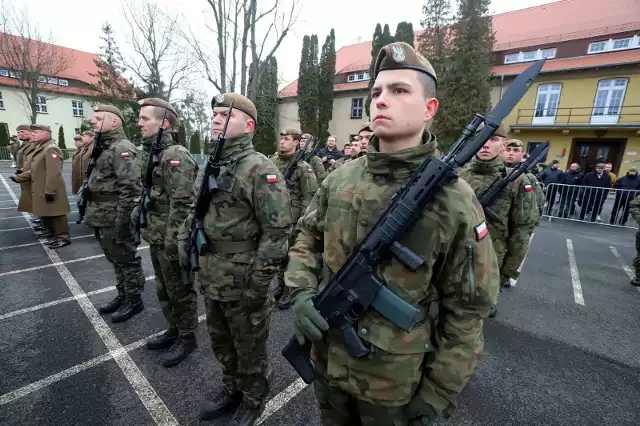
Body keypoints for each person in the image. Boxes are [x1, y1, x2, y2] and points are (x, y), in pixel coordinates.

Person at [284, 42, 499, 426]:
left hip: (392, 385)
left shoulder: (455, 201)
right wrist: (300, 292)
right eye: (377, 92)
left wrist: (437, 395)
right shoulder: (339, 179)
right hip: (328, 362)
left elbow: (467, 313)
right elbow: (306, 239)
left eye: (399, 91)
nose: (382, 100)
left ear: (429, 109)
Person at [177, 93, 293, 425]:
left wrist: (259, 282)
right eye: (213, 113)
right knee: (221, 340)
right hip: (211, 273)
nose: (215, 118)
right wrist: (186, 246)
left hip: (243, 278)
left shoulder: (259, 168)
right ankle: (232, 387)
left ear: (248, 125)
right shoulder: (212, 163)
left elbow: (277, 231)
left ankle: (254, 396)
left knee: (249, 345)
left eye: (225, 114)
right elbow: (195, 213)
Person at [128, 98, 200, 366]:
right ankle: (174, 329)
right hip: (157, 234)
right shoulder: (153, 153)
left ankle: (187, 336)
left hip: (171, 237)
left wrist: (174, 243)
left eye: (145, 118)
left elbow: (182, 206)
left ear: (164, 123)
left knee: (180, 289)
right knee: (163, 287)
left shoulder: (175, 156)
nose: (139, 122)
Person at [84, 105, 147, 323]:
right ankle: (123, 294)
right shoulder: (103, 146)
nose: (93, 121)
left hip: (114, 217)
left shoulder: (122, 148)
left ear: (114, 122)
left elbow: (131, 189)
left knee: (127, 259)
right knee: (115, 260)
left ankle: (134, 299)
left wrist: (123, 222)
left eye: (98, 118)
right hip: (101, 215)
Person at [269, 128, 318, 309]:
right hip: (274, 217)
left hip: (293, 217)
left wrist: (302, 223)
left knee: (291, 257)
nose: (282, 141)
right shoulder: (272, 162)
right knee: (279, 256)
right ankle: (281, 285)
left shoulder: (304, 168)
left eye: (287, 139)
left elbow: (309, 197)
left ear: (296, 142)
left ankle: (290, 289)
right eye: (281, 138)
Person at [28, 124, 72, 248]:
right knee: (48, 213)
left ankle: (63, 237)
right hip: (43, 187)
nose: (32, 134)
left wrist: (50, 190)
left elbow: (54, 172)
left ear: (45, 134)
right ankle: (54, 236)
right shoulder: (42, 147)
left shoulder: (51, 148)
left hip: (51, 187)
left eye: (35, 132)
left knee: (57, 214)